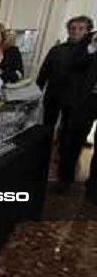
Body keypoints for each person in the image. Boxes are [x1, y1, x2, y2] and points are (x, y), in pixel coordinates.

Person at [55, 30, 97, 202]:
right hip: (86, 99)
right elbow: (74, 64)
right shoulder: (89, 40)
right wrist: (92, 47)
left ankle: (93, 188)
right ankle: (64, 180)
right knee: (71, 141)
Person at [37, 15, 94, 134]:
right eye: (73, 28)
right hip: (53, 96)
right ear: (68, 30)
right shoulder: (56, 50)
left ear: (88, 31)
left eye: (81, 28)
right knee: (47, 128)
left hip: (75, 100)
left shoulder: (92, 53)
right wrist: (36, 93)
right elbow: (44, 73)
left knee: (67, 133)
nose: (76, 31)